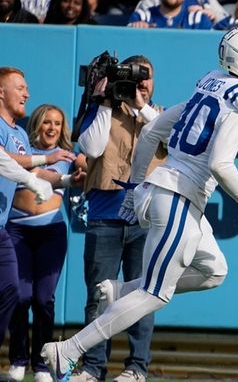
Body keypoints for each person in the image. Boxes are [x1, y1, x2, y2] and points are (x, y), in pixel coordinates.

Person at [41, 23, 238, 382]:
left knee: (214, 271)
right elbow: (220, 161)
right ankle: (68, 350)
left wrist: (134, 187)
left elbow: (154, 132)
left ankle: (122, 290)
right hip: (177, 198)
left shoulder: (212, 83)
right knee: (155, 293)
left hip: (164, 191)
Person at [70, 55, 163, 382]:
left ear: (153, 82)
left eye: (146, 77)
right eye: (134, 75)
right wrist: (107, 102)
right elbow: (92, 148)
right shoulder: (101, 110)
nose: (141, 82)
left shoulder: (160, 115)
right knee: (98, 297)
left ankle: (137, 367)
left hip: (147, 221)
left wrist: (139, 106)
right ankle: (94, 368)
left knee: (144, 296)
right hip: (104, 218)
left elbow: (173, 144)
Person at [6, 105, 85, 382]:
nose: (52, 128)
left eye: (57, 123)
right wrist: (42, 161)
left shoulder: (65, 154)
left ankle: (41, 365)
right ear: (37, 124)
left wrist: (78, 170)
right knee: (20, 296)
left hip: (51, 233)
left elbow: (55, 176)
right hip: (17, 232)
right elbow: (31, 171)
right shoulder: (22, 149)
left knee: (43, 299)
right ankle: (17, 360)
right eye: (46, 122)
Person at [0, 68, 56, 373]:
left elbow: (33, 173)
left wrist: (66, 179)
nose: (27, 94)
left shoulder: (20, 133)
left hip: (2, 229)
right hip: (9, 229)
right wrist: (42, 161)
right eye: (20, 87)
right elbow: (3, 159)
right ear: (1, 92)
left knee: (12, 293)